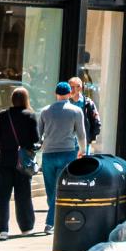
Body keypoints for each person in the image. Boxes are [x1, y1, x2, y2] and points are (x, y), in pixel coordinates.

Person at [36, 81, 89, 219]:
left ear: (56, 94)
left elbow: (38, 135)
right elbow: (81, 134)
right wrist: (82, 151)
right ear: (69, 94)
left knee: (50, 189)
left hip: (48, 154)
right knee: (60, 188)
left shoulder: (45, 111)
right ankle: (51, 221)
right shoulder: (76, 111)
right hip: (67, 153)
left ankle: (52, 217)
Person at [0, 88, 40, 238]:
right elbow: (36, 138)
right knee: (23, 194)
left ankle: (1, 229)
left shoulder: (2, 115)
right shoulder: (30, 115)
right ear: (26, 99)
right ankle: (26, 227)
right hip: (22, 160)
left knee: (2, 194)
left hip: (5, 158)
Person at [66, 74, 104, 151]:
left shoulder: (88, 103)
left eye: (73, 87)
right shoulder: (66, 103)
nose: (71, 90)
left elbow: (96, 123)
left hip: (83, 145)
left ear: (79, 88)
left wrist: (90, 138)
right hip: (68, 144)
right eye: (69, 87)